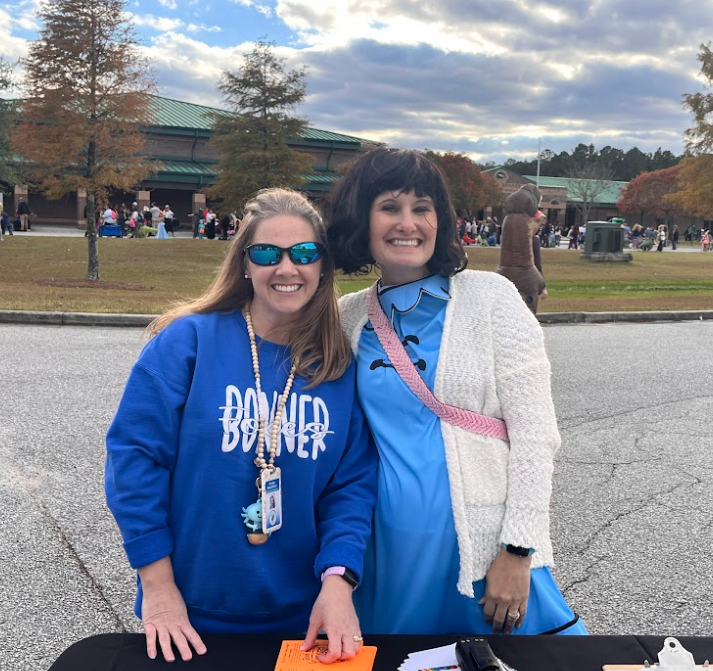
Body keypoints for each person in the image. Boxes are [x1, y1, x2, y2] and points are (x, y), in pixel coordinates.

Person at [105, 188, 377, 664]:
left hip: (303, 620)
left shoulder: (336, 366)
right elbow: (134, 461)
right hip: (187, 615)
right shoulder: (187, 342)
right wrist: (158, 586)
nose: (287, 268)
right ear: (245, 263)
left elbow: (350, 488)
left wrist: (339, 581)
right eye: (268, 253)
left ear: (322, 266)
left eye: (305, 253)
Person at [327, 148, 586, 637]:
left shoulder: (492, 298)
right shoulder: (347, 315)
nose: (408, 223)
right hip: (383, 552)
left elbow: (535, 436)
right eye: (390, 207)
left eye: (422, 208)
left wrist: (518, 550)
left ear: (440, 220)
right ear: (362, 218)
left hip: (482, 552)